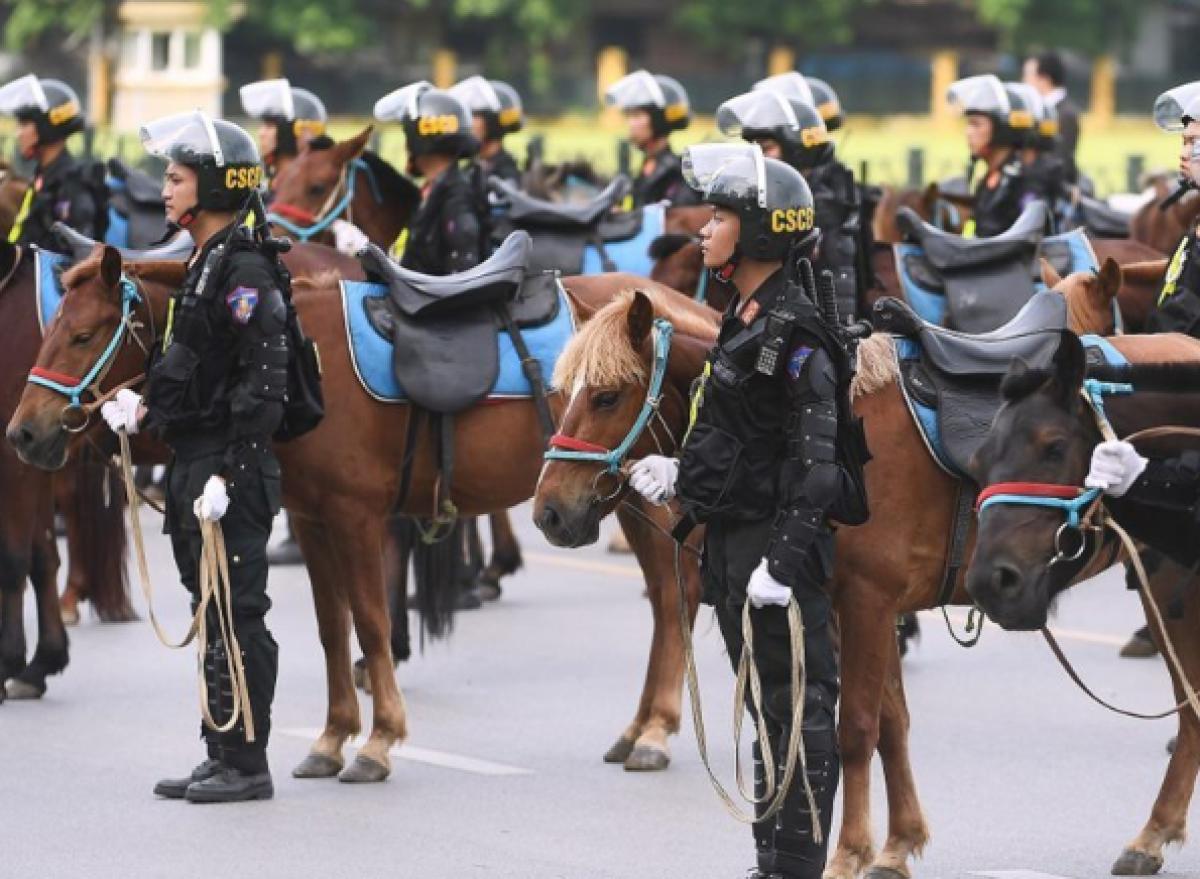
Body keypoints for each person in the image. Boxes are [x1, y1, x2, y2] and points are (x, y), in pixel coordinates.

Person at [630, 143, 860, 879]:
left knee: (797, 714)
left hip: (773, 554)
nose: (704, 228)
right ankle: (771, 863)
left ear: (760, 232)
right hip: (733, 544)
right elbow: (736, 438)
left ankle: (794, 867)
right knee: (766, 713)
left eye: (722, 215)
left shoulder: (798, 336)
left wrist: (782, 566)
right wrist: (683, 482)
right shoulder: (745, 316)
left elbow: (820, 471)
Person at [100, 111, 288, 803]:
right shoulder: (205, 264)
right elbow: (195, 368)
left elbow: (264, 386)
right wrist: (145, 409)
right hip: (195, 460)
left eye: (176, 178)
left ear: (211, 186)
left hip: (227, 470)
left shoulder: (243, 268)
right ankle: (220, 747)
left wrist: (228, 473)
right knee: (209, 611)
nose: (166, 188)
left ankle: (249, 763)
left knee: (239, 613)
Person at [718, 86, 864, 319]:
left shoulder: (822, 208)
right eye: (752, 149)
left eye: (766, 148)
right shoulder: (774, 201)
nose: (756, 158)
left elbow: (839, 292)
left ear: (796, 150)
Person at [373, 81, 485, 275]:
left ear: (419, 140)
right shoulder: (430, 192)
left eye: (407, 136)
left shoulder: (456, 196)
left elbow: (461, 277)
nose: (405, 147)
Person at [0, 74, 103, 248]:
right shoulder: (43, 178)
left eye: (24, 124)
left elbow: (78, 255)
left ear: (46, 127)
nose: (18, 133)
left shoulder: (72, 184)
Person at [947, 73, 1038, 238]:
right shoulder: (989, 179)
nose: (968, 132)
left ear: (1001, 131)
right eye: (968, 124)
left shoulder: (1022, 182)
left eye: (976, 124)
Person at [604, 69, 698, 207]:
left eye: (636, 116)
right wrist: (622, 177)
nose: (630, 124)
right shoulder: (648, 165)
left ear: (658, 121)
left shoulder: (673, 173)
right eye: (628, 116)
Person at [239, 78, 327, 182]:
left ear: (299, 131)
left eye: (270, 126)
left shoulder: (316, 191)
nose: (261, 133)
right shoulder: (268, 187)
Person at [450, 75, 523, 185]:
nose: (467, 122)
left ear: (492, 122)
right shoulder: (471, 169)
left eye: (474, 115)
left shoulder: (505, 175)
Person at [1023, 50, 1080, 184]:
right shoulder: (1035, 110)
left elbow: (1061, 160)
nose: (1024, 82)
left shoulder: (1065, 114)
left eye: (1027, 76)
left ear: (1044, 79)